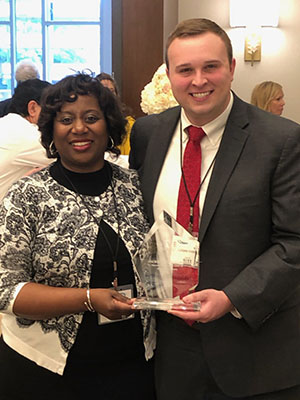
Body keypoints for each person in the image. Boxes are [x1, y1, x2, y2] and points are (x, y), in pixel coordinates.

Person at [129, 18, 300, 400]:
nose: (198, 80)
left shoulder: (282, 140)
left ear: (232, 68)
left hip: (256, 349)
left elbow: (294, 242)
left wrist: (233, 298)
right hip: (173, 346)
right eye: (185, 70)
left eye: (211, 67)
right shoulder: (148, 133)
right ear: (169, 75)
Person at [0, 73, 156, 400]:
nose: (79, 128)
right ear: (51, 131)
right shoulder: (27, 195)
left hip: (134, 366)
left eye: (91, 117)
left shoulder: (135, 186)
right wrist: (89, 298)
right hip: (46, 371)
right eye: (66, 119)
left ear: (110, 126)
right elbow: (6, 290)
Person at [0, 78, 52, 201]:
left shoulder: (6, 124)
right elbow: (74, 159)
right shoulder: (26, 135)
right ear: (33, 108)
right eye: (52, 109)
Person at [97, 72, 135, 155]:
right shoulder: (91, 125)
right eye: (103, 91)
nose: (108, 95)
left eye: (111, 91)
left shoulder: (128, 124)